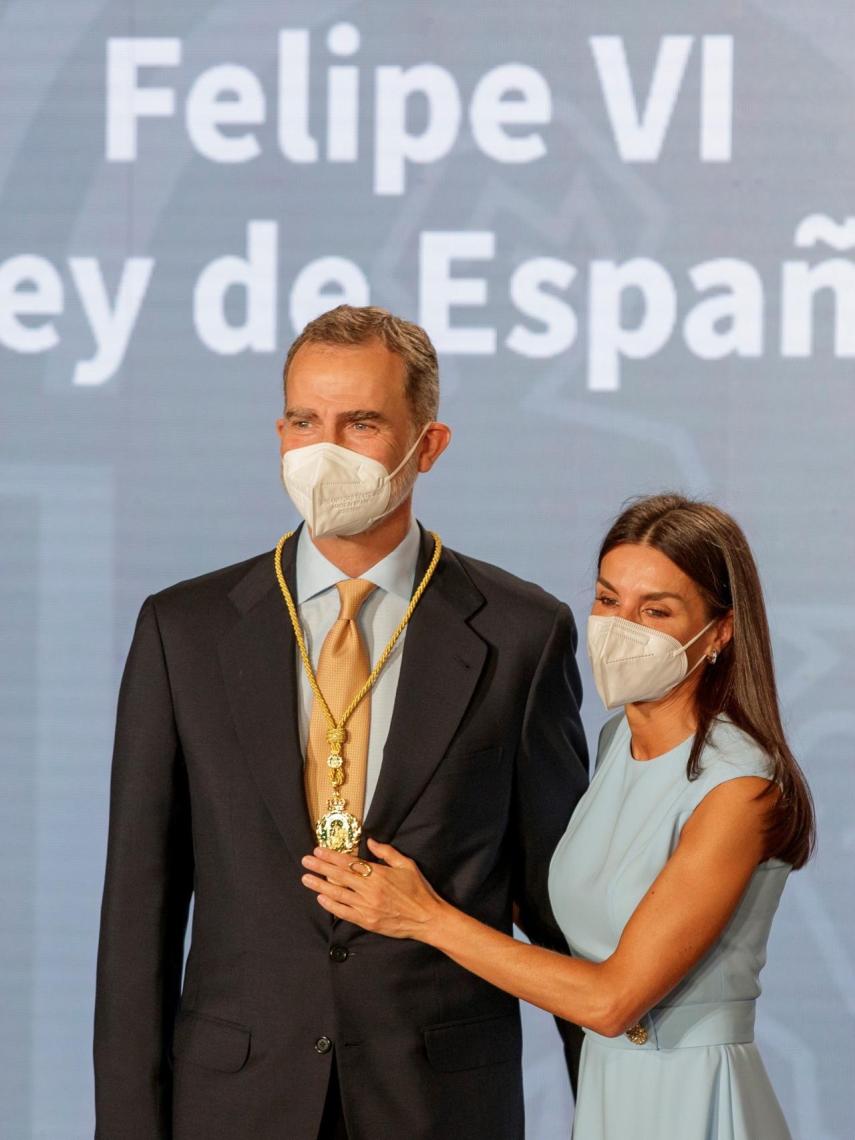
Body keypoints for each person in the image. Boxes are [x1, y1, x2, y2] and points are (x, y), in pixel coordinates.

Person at [93, 305, 589, 1140]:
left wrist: (614, 1112)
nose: (323, 449)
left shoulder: (520, 633)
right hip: (235, 1104)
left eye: (361, 422)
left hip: (439, 1106)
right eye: (303, 421)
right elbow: (136, 917)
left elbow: (560, 911)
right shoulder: (185, 629)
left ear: (427, 446)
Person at [301, 493, 815, 1140]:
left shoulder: (740, 788)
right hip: (608, 1094)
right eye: (607, 600)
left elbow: (609, 1001)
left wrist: (425, 916)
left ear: (719, 631)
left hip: (692, 1097)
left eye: (654, 610)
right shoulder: (611, 746)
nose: (618, 626)